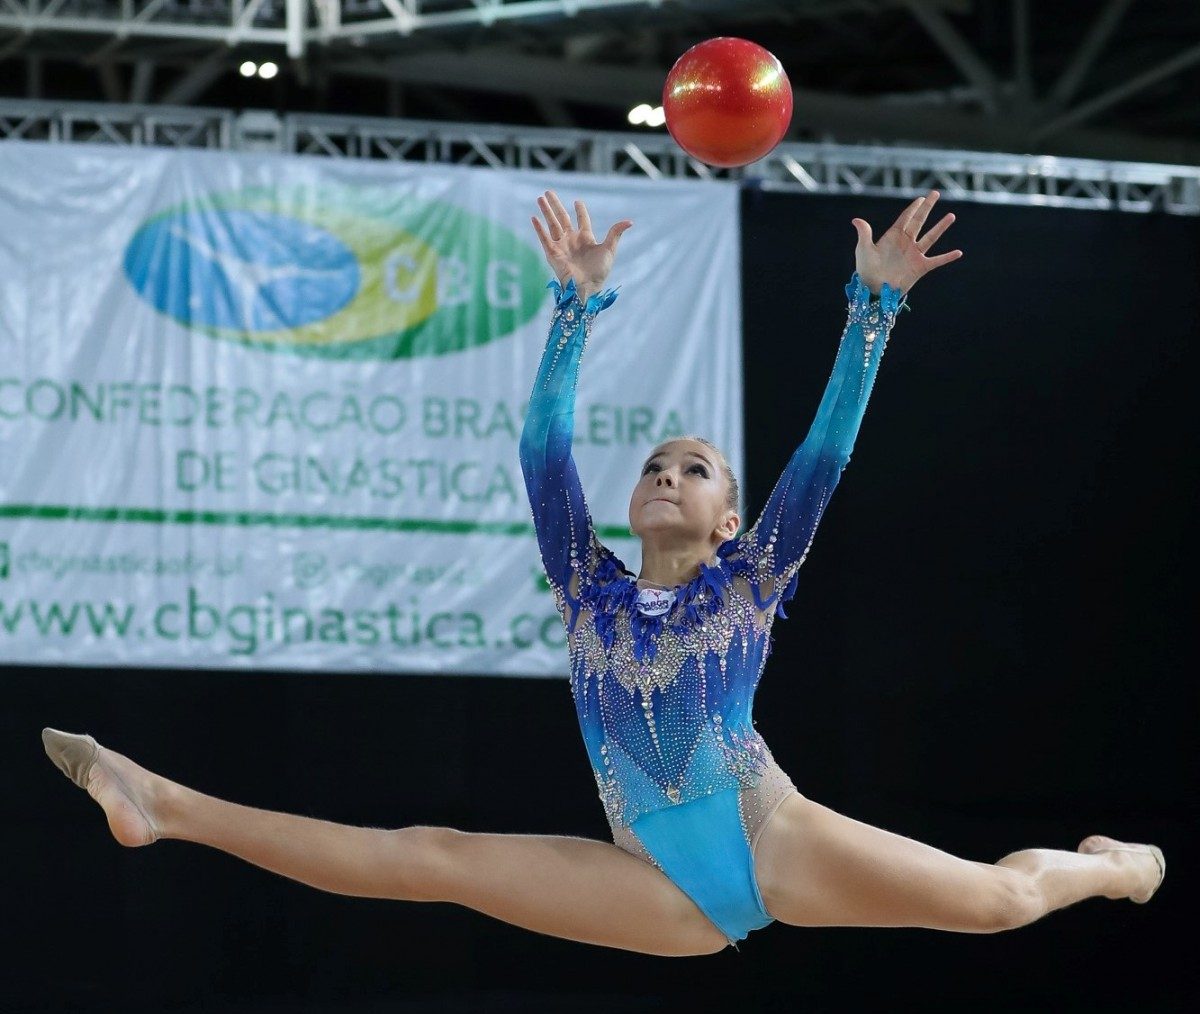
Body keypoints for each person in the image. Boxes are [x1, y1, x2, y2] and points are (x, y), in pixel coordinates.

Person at [42, 188, 1163, 958]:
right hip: (655, 886)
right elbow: (542, 453)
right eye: (657, 465)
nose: (669, 476)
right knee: (427, 858)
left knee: (1006, 901)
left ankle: (1115, 868)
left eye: (698, 469)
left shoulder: (750, 581)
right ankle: (164, 804)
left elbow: (824, 454)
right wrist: (572, 307)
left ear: (732, 519)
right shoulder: (589, 586)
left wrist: (873, 310)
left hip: (770, 837)